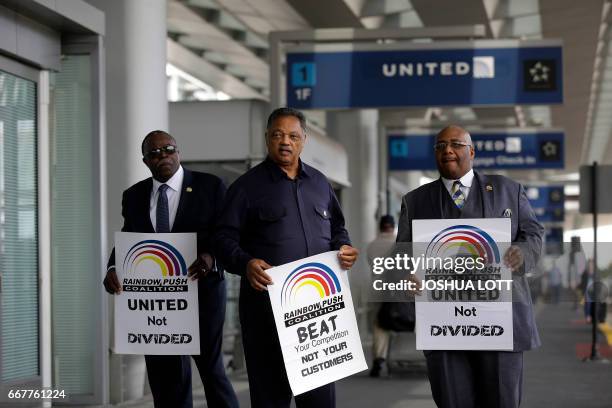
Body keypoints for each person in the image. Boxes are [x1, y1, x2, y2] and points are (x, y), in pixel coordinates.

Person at [214, 107, 359, 408]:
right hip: (266, 315)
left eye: (293, 136)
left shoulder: (320, 184)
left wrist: (343, 248)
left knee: (319, 401)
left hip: (317, 317)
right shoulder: (246, 187)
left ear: (304, 140)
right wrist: (246, 262)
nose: (285, 142)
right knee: (270, 399)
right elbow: (222, 239)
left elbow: (337, 229)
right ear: (267, 138)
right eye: (278, 135)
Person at [396, 125, 543, 408]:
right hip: (444, 326)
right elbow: (403, 255)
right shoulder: (415, 201)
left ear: (471, 151)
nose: (447, 150)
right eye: (440, 146)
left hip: (500, 324)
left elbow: (533, 233)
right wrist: (406, 276)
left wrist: (522, 253)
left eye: (455, 144)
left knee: (501, 401)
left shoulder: (507, 190)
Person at [103, 130, 238, 408]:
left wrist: (211, 256)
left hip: (202, 292)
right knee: (166, 378)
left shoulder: (210, 186)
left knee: (212, 372)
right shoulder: (134, 195)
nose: (163, 155)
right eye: (154, 153)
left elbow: (226, 234)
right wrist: (114, 266)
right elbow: (129, 236)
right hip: (156, 302)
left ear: (179, 152)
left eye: (168, 148)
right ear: (145, 161)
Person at [366, 215, 396, 377]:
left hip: (376, 289)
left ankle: (379, 357)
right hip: (396, 290)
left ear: (380, 226)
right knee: (400, 320)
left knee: (379, 325)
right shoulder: (398, 243)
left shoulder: (371, 246)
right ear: (393, 226)